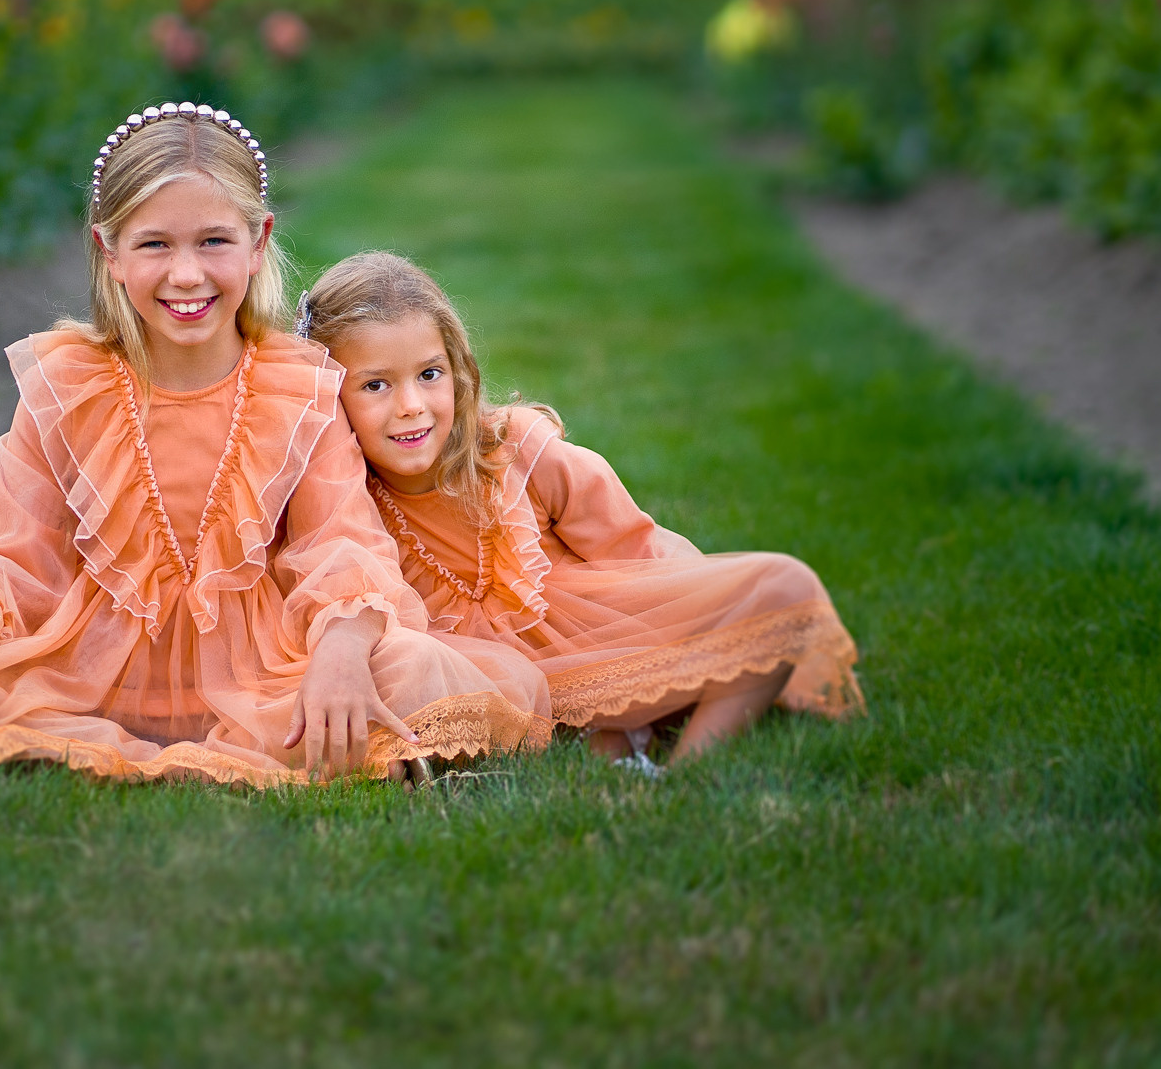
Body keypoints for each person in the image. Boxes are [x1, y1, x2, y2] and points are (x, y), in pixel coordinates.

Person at [0, 106, 551, 784]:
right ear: (109, 251)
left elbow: (342, 543)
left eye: (213, 241)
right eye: (154, 244)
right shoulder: (71, 385)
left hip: (261, 672)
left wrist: (343, 653)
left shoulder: (299, 387)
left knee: (412, 671)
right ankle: (102, 722)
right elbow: (11, 545)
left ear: (258, 243)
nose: (186, 274)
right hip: (95, 665)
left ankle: (313, 714)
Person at [298, 251, 863, 770]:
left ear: (459, 370)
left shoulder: (515, 450)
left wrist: (703, 623)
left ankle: (684, 773)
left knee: (784, 587)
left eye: (429, 374)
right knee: (408, 674)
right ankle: (616, 737)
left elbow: (640, 554)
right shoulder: (344, 499)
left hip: (593, 644)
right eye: (376, 385)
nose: (411, 406)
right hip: (491, 678)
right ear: (332, 396)